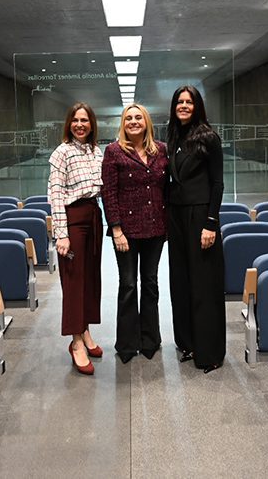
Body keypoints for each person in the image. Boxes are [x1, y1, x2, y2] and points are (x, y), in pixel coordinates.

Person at [101, 103, 169, 364]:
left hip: (155, 229)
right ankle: (127, 343)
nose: (133, 121)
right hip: (126, 232)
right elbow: (109, 193)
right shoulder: (113, 151)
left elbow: (167, 188)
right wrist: (116, 228)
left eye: (138, 117)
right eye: (128, 118)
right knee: (128, 285)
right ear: (123, 123)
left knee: (150, 284)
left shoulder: (160, 150)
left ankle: (151, 340)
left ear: (146, 122)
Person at [165, 85, 226, 373]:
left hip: (201, 216)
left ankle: (210, 352)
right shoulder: (173, 137)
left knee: (204, 285)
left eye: (189, 102)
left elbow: (217, 183)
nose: (184, 106)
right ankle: (188, 342)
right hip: (176, 217)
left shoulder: (209, 138)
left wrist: (211, 223)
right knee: (181, 282)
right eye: (180, 101)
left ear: (197, 106)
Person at [48, 102, 104, 375]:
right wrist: (62, 234)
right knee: (73, 281)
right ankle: (76, 342)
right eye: (75, 120)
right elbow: (56, 195)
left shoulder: (96, 151)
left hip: (94, 216)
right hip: (72, 221)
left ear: (92, 124)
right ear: (69, 124)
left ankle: (85, 329)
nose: (80, 124)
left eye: (85, 120)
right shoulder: (61, 153)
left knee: (90, 278)